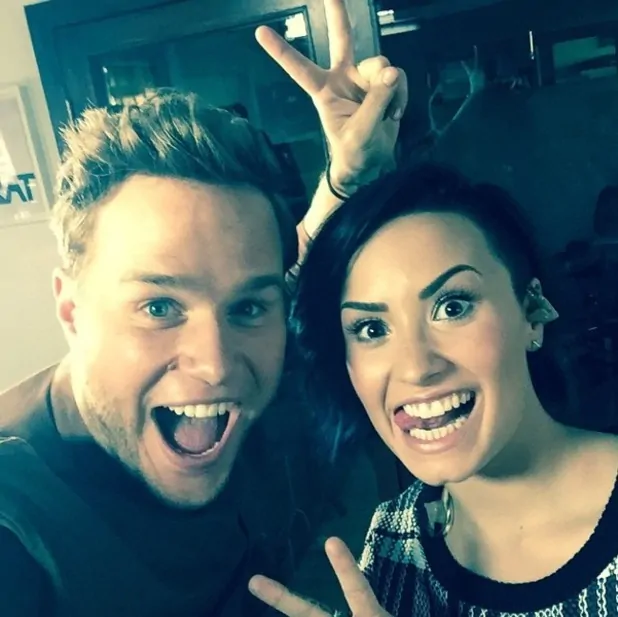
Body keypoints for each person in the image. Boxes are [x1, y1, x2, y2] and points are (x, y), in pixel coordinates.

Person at [0, 0, 409, 614]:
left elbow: (281, 275)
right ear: (71, 310)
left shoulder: (240, 352)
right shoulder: (18, 528)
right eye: (159, 307)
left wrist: (346, 182)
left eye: (246, 310)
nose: (216, 365)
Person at [248, 163, 618, 616]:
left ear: (532, 312)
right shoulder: (392, 541)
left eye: (453, 306)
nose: (417, 368)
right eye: (371, 329)